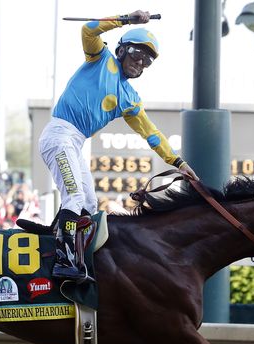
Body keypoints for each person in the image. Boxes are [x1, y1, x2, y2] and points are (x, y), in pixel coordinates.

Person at [40, 10, 199, 281]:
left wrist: (179, 164)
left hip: (75, 143)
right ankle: (65, 258)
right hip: (59, 134)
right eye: (138, 55)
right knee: (75, 198)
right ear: (122, 50)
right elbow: (88, 30)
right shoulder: (100, 58)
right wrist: (126, 20)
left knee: (89, 204)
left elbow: (152, 134)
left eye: (147, 61)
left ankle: (78, 255)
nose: (141, 63)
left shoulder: (130, 98)